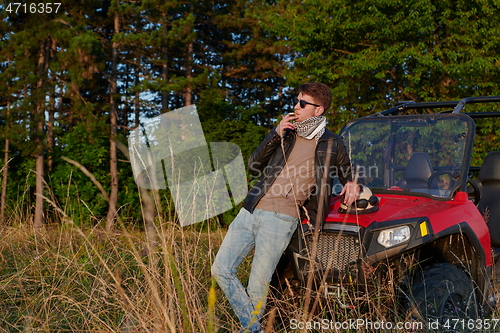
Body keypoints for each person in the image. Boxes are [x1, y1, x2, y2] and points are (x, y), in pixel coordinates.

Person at [211, 82, 359, 332]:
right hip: (251, 209)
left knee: (257, 285)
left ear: (318, 110)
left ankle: (249, 329)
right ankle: (254, 327)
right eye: (296, 100)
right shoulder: (286, 133)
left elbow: (348, 174)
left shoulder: (332, 143)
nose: (296, 106)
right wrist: (275, 132)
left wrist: (353, 183)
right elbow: (253, 164)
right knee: (221, 269)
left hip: (281, 218)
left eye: (303, 103)